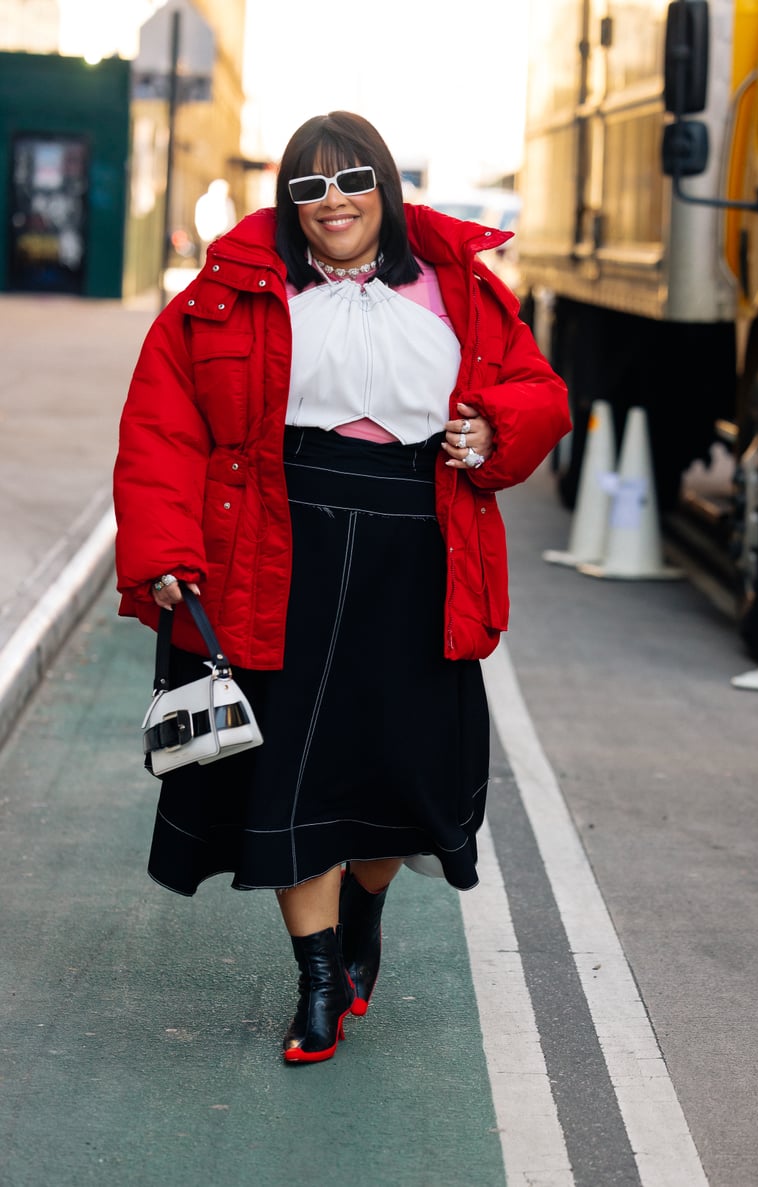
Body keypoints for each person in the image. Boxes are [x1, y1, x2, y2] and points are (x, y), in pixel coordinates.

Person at [113, 111, 570, 1066]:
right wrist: (164, 546)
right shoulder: (232, 293)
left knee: (399, 779)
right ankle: (317, 978)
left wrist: (491, 430)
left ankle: (364, 908)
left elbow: (539, 391)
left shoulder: (462, 290)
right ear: (287, 204)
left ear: (386, 188)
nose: (332, 203)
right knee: (298, 777)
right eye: (308, 188)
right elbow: (164, 423)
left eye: (351, 179)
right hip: (285, 554)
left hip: (419, 553)